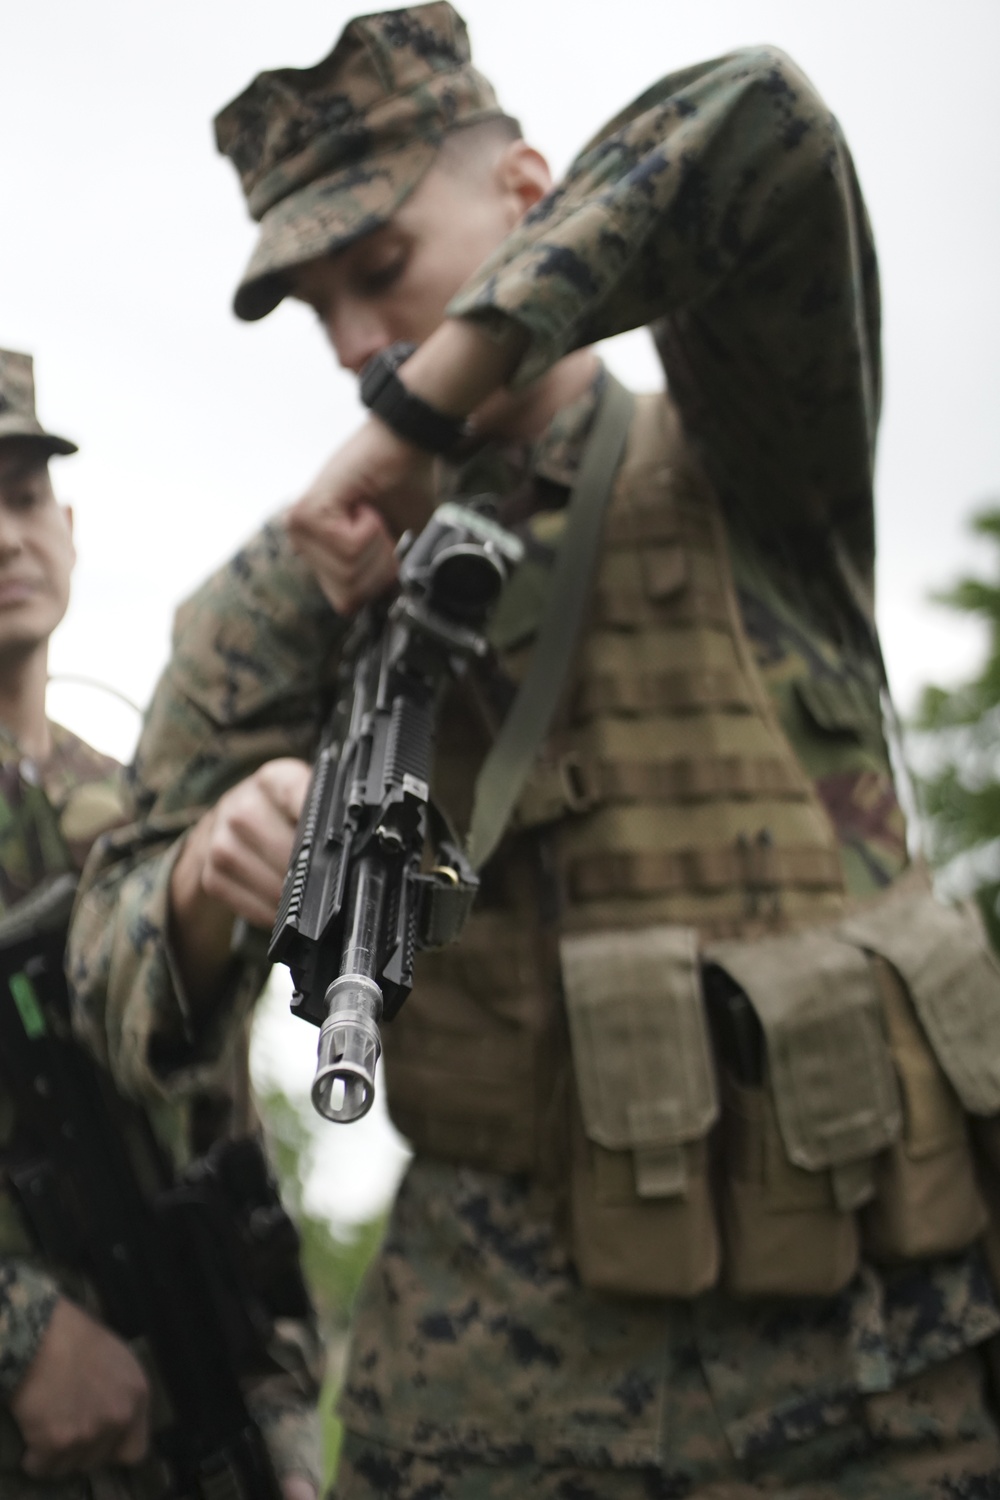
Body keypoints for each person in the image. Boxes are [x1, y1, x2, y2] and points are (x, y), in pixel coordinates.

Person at [70, 6, 1000, 1496]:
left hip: (871, 1387)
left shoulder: (750, 461)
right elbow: (108, 960)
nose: (360, 344)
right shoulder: (289, 593)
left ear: (530, 197)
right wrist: (196, 886)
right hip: (495, 1413)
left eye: (381, 272)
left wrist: (419, 405)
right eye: (319, 314)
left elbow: (763, 123)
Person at [0, 349, 321, 1500]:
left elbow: (224, 1133)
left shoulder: (139, 814)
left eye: (24, 496)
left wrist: (279, 1403)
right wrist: (19, 1328)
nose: (5, 538)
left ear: (70, 525)